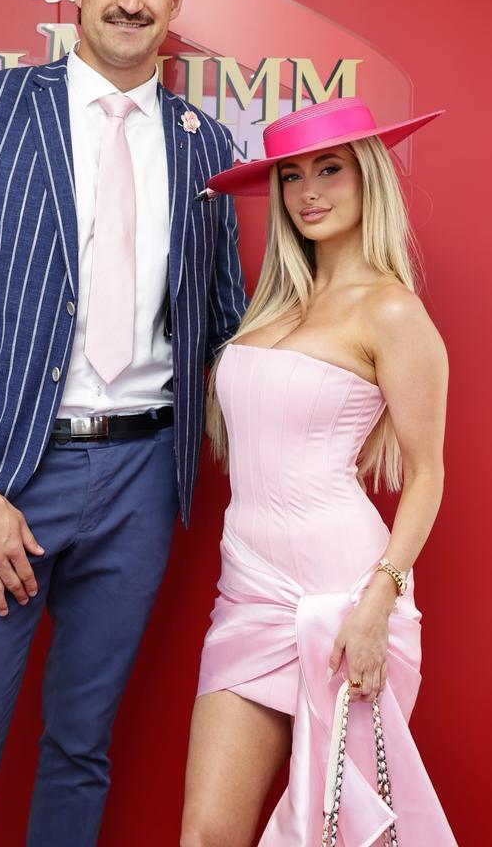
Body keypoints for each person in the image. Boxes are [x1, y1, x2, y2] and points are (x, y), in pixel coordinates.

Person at [0, 0, 246, 847]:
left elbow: (224, 331)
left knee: (80, 750)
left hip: (140, 483)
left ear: (178, 0)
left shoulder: (205, 146)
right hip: (6, 474)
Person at [180, 97, 457, 846]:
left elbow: (427, 473)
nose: (309, 192)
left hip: (346, 597)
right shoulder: (266, 309)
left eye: (330, 170)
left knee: (335, 831)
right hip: (247, 591)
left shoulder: (391, 312)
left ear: (368, 178)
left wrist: (377, 603)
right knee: (206, 834)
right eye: (293, 176)